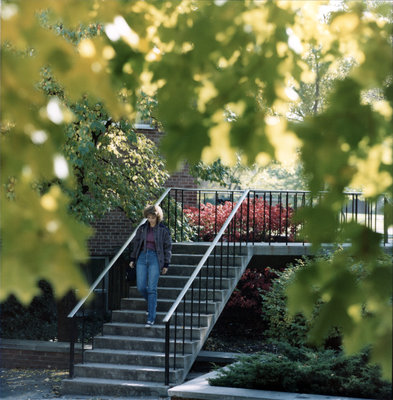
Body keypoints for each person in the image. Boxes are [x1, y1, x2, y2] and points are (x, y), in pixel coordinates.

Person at [129, 204, 172, 327]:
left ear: (157, 217)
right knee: (141, 286)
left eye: (152, 217)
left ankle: (150, 318)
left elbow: (168, 247)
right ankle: (151, 304)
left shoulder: (163, 230)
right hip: (142, 257)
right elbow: (136, 244)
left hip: (155, 258)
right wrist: (132, 258)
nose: (150, 219)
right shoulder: (142, 228)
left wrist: (166, 264)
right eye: (148, 217)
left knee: (152, 289)